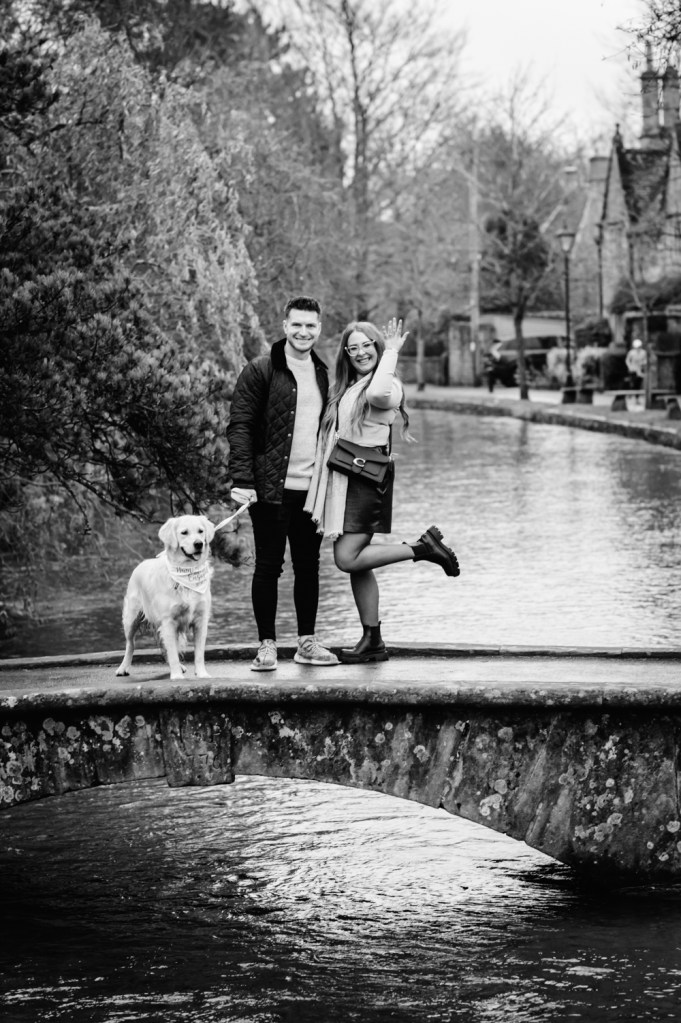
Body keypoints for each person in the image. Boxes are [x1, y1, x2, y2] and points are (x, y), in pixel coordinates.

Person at [304, 317, 460, 664]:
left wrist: (392, 351)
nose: (361, 353)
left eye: (367, 345)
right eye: (353, 347)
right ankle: (372, 639)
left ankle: (422, 548)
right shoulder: (350, 386)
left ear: (378, 347)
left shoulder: (386, 386)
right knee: (358, 564)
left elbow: (377, 393)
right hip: (344, 481)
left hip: (362, 482)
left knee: (346, 558)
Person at [227, 296, 339, 671]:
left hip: (312, 491)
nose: (303, 332)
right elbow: (240, 425)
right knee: (269, 567)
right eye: (297, 325)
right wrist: (242, 478)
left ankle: (306, 643)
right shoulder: (260, 370)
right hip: (270, 489)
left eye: (311, 325)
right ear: (285, 325)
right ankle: (267, 646)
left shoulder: (323, 373)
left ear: (319, 328)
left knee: (309, 566)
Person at [625, 338, 647, 404]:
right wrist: (630, 366)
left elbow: (645, 360)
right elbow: (627, 360)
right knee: (632, 384)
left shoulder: (643, 352)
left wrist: (643, 363)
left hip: (640, 370)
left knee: (638, 384)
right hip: (633, 370)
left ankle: (637, 398)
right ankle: (631, 395)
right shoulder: (631, 352)